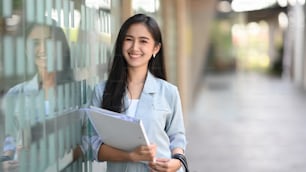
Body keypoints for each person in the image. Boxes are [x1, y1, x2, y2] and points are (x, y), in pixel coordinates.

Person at [81, 13, 188, 172]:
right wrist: (130, 155)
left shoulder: (168, 92)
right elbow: (89, 145)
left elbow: (177, 138)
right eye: (129, 39)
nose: (134, 47)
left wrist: (177, 162)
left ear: (156, 48)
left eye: (143, 41)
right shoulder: (102, 91)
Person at [1, 22, 73, 171]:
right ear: (27, 50)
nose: (42, 48)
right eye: (35, 43)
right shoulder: (15, 94)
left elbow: (87, 143)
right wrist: (5, 162)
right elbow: (10, 139)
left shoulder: (77, 93)